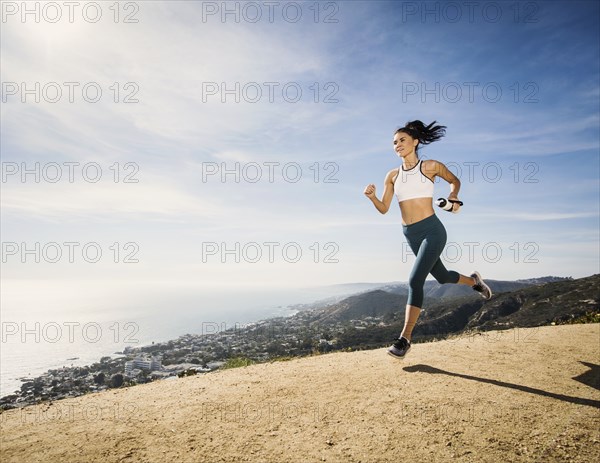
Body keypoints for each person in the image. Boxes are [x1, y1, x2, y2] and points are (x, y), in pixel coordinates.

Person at [363, 120, 492, 359]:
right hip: (410, 233)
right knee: (442, 277)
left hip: (432, 230)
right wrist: (372, 197)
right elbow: (384, 208)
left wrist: (453, 195)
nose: (397, 145)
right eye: (394, 142)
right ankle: (474, 281)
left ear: (415, 141)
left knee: (415, 280)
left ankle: (404, 339)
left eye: (402, 140)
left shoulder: (430, 166)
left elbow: (455, 180)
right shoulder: (392, 175)